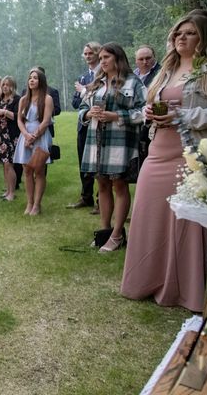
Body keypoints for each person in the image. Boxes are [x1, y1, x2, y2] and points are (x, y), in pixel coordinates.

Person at [121, 13, 207, 312]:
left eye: (190, 33)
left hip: (191, 152)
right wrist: (149, 112)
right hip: (159, 150)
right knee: (149, 211)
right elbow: (151, 103)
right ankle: (146, 280)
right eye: (177, 34)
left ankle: (185, 291)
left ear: (204, 38)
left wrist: (182, 115)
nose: (181, 38)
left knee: (186, 222)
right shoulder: (166, 71)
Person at [78, 43, 146, 252]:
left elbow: (143, 110)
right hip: (96, 140)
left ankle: (117, 235)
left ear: (118, 58)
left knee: (119, 185)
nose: (102, 61)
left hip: (120, 141)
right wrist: (88, 114)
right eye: (101, 58)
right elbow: (82, 107)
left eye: (106, 57)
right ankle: (105, 232)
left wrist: (117, 116)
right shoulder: (97, 82)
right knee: (103, 185)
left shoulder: (132, 82)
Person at [13, 68, 54, 216]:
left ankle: (37, 204)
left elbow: (46, 121)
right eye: (30, 78)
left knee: (39, 170)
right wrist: (25, 134)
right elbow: (19, 119)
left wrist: (33, 136)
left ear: (41, 81)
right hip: (25, 136)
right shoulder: (23, 100)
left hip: (40, 136)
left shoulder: (47, 99)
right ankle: (29, 203)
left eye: (35, 78)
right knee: (27, 171)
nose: (32, 80)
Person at [67, 42, 101, 210]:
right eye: (85, 54)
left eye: (90, 53)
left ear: (98, 54)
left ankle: (101, 201)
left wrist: (84, 92)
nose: (87, 56)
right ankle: (86, 196)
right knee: (84, 162)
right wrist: (84, 91)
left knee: (99, 162)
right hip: (84, 124)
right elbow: (74, 102)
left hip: (100, 123)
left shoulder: (104, 74)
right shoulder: (83, 77)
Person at [134, 45, 162, 166]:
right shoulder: (132, 75)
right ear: (136, 60)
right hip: (133, 124)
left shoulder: (162, 73)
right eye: (141, 59)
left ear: (154, 58)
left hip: (152, 125)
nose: (145, 62)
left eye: (148, 58)